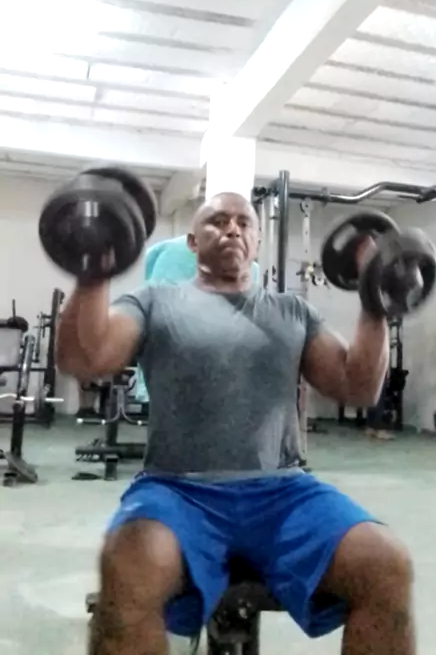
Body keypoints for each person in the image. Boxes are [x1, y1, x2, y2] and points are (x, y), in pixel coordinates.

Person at [56, 192, 415, 655]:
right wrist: (93, 271)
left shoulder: (292, 312)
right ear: (192, 242)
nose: (232, 229)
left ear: (257, 241)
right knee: (127, 563)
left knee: (386, 563)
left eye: (244, 223)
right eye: (218, 221)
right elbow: (84, 360)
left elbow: (358, 387)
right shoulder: (154, 301)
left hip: (282, 492)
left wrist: (375, 299)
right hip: (178, 489)